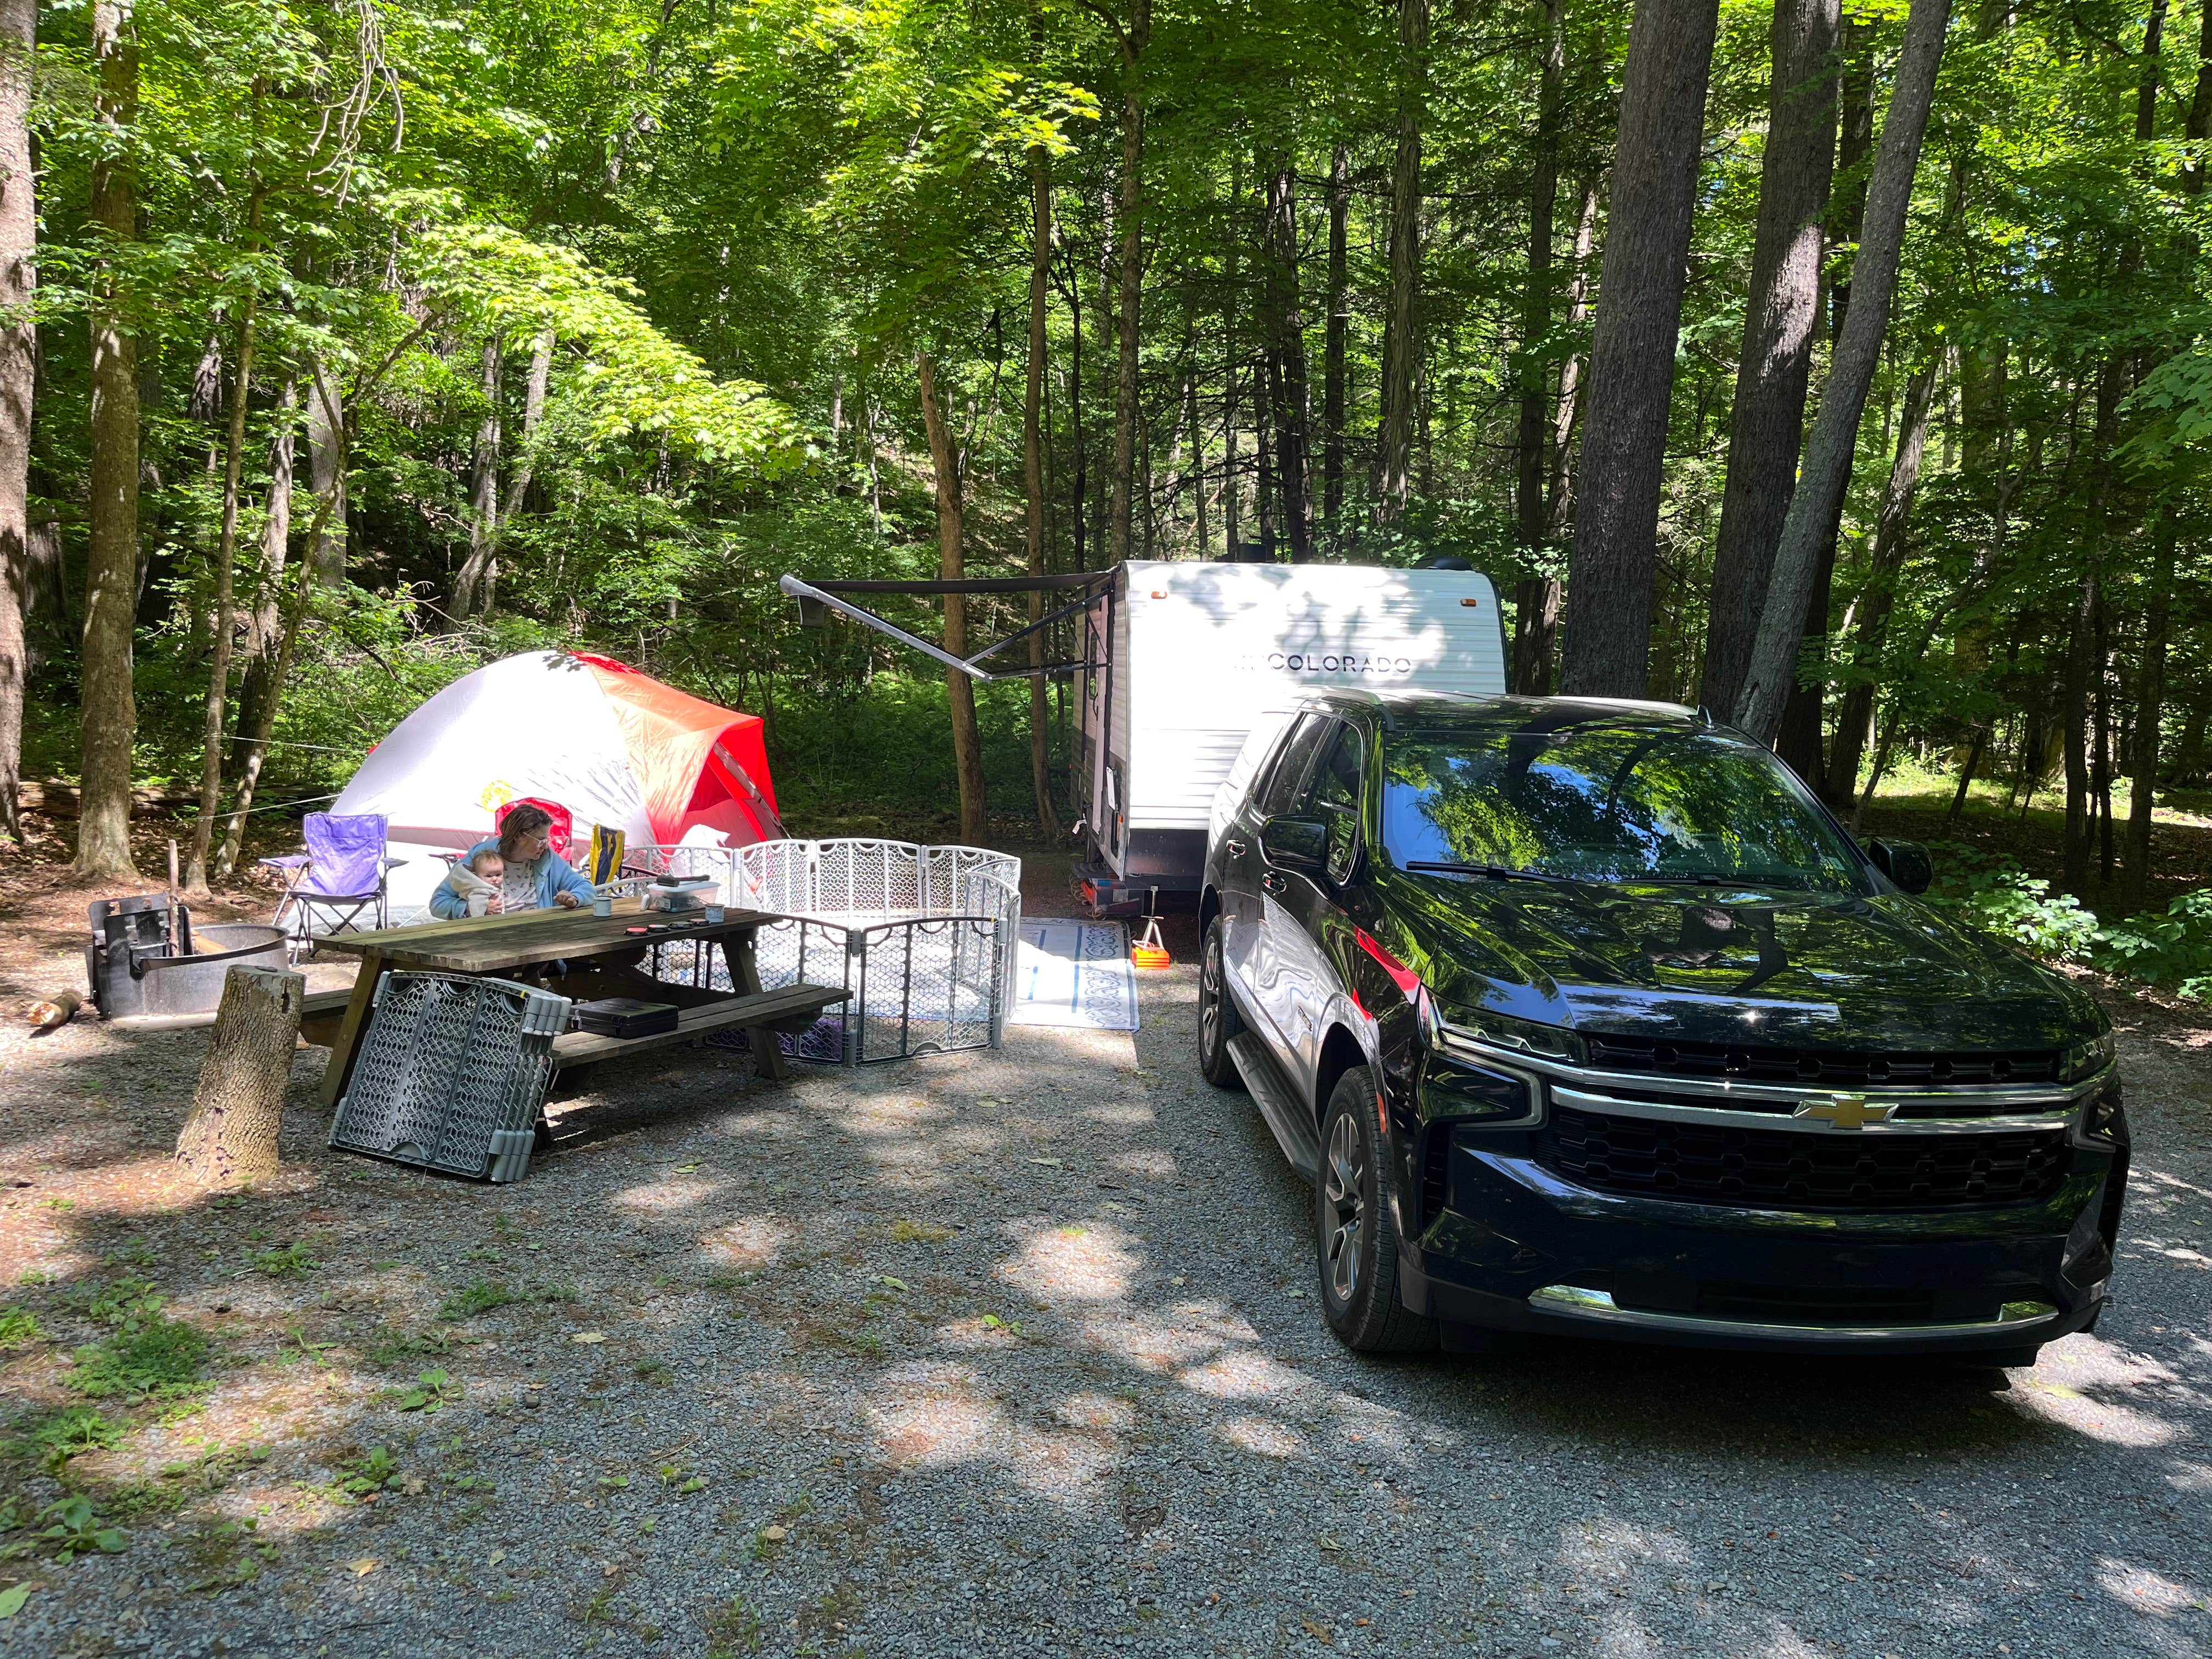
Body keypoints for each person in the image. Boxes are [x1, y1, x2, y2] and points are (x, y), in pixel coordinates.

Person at [428, 803, 593, 920]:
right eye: (541, 840)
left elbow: (587, 888)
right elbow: (439, 902)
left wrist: (575, 898)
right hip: (490, 939)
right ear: (519, 836)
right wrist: (471, 909)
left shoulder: (547, 859)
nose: (546, 845)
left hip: (537, 937)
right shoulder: (481, 857)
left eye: (547, 839)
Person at [438, 847, 505, 918]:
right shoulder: (479, 891)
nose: (495, 879)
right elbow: (476, 910)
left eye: (498, 875)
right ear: (476, 876)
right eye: (488, 876)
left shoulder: (495, 886)